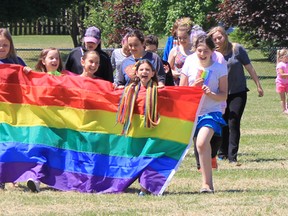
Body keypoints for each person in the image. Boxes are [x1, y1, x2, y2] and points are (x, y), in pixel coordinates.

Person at [208, 26, 264, 163]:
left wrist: (258, 85)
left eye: (219, 37)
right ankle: (222, 152)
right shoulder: (212, 55)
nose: (217, 41)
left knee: (233, 122)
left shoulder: (236, 49)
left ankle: (232, 155)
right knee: (222, 123)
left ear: (225, 36)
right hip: (220, 93)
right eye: (214, 39)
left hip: (237, 92)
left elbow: (249, 67)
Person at [180, 35, 228, 193]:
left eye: (205, 51)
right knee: (196, 146)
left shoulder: (219, 68)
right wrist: (193, 87)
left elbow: (223, 95)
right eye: (199, 50)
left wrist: (210, 94)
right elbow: (181, 91)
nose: (201, 54)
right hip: (192, 113)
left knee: (201, 143)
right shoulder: (189, 64)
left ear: (212, 51)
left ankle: (207, 185)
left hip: (211, 112)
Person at [116, 59, 160, 196]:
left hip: (152, 132)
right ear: (136, 73)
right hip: (135, 132)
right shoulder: (130, 90)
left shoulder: (159, 91)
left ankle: (145, 187)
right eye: (141, 70)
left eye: (147, 70)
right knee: (135, 158)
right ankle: (124, 182)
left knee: (148, 157)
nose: (144, 72)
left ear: (153, 73)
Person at [0, 28, 30, 190]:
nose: (1, 48)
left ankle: (11, 175)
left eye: (5, 44)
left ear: (10, 45)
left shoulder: (17, 62)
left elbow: (30, 81)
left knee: (11, 144)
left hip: (13, 112)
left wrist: (27, 72)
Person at [275, 48, 288, 113]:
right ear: (282, 57)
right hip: (281, 84)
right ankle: (284, 110)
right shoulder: (280, 65)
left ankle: (287, 108)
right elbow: (282, 75)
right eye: (287, 56)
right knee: (283, 98)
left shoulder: (286, 63)